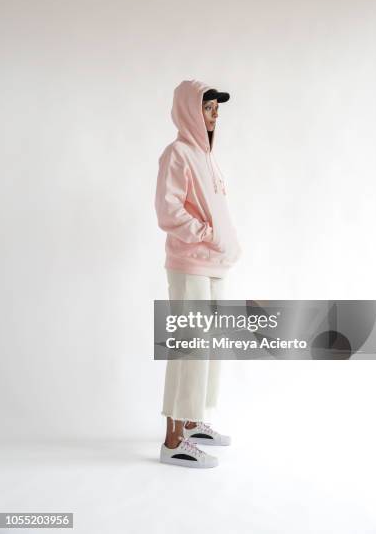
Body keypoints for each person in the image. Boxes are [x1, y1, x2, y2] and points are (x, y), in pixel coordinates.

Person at [155, 79, 242, 468]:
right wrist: (207, 234)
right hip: (191, 261)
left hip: (216, 264)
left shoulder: (208, 157)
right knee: (189, 347)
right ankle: (173, 440)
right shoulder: (177, 154)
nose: (215, 115)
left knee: (209, 348)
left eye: (217, 109)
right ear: (191, 110)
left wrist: (226, 242)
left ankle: (192, 423)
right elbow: (169, 212)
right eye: (208, 108)